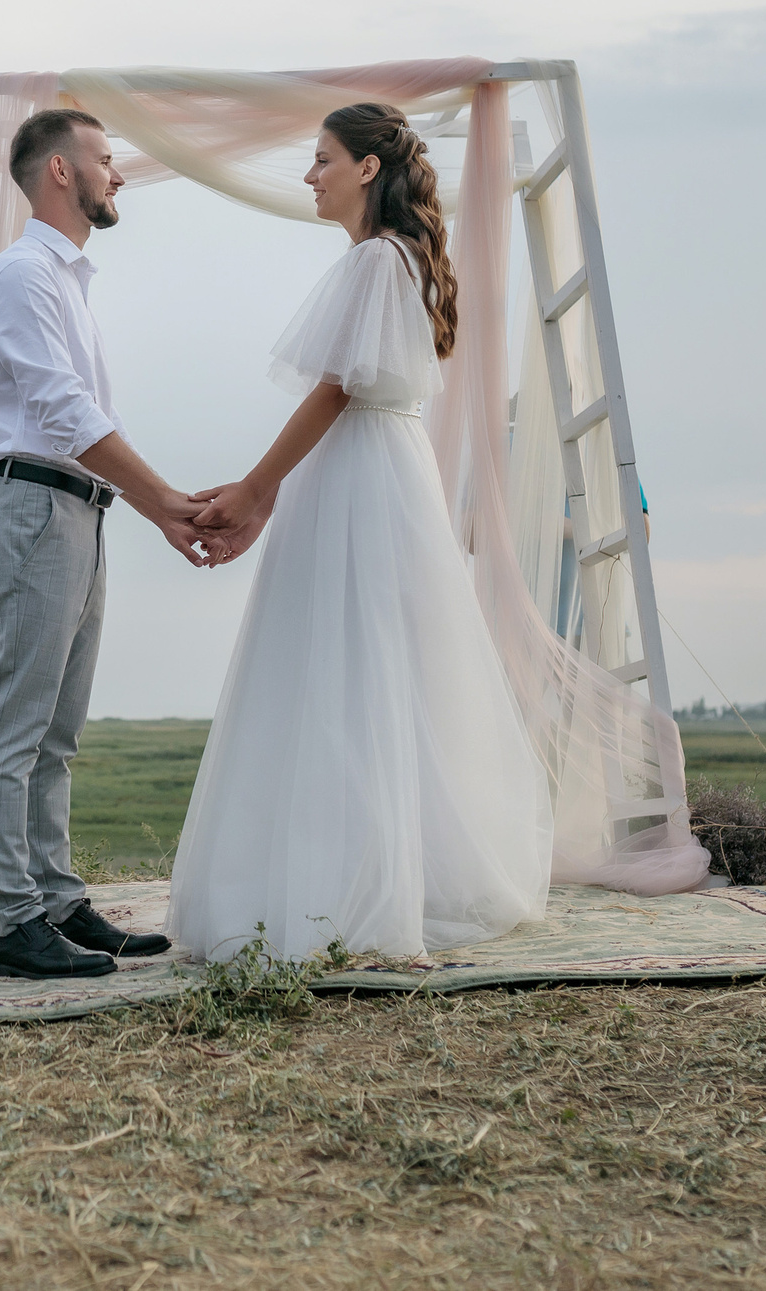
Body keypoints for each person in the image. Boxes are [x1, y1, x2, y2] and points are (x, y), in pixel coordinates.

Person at [171, 103, 553, 962]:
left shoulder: (378, 260)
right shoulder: (393, 259)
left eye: (321, 159)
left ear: (367, 169)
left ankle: (346, 887)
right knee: (371, 669)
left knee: (343, 664)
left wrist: (257, 486)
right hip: (381, 470)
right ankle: (364, 870)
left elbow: (339, 387)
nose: (309, 176)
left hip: (361, 476)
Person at [0, 107, 207, 980]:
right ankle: (12, 923)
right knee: (14, 725)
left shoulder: (66, 281)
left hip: (75, 512)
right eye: (106, 158)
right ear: (61, 171)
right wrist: (165, 503)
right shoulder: (22, 275)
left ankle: (58, 900)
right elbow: (65, 414)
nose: (119, 173)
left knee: (57, 732)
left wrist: (134, 502)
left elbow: (77, 416)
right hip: (32, 507)